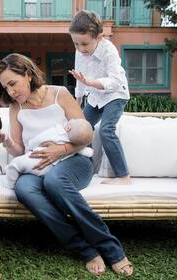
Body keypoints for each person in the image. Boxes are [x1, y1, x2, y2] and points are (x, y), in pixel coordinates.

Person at [0, 53, 133, 276]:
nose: (10, 91)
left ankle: (111, 249)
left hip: (75, 159)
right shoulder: (15, 108)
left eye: (12, 83)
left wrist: (62, 150)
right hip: (37, 163)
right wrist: (8, 142)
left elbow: (85, 134)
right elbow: (19, 150)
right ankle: (85, 249)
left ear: (28, 74)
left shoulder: (60, 94)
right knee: (23, 188)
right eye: (5, 87)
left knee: (55, 181)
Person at [69, 10, 131, 185]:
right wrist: (77, 103)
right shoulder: (79, 51)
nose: (81, 49)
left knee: (106, 130)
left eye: (85, 44)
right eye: (76, 44)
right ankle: (85, 169)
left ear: (99, 37)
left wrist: (91, 82)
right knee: (83, 129)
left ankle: (124, 176)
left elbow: (116, 81)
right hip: (96, 96)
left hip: (115, 94)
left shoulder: (109, 50)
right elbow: (80, 78)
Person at [4, 118, 94, 189]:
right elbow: (87, 151)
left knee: (15, 164)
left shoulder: (57, 132)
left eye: (74, 119)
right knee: (25, 173)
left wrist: (31, 145)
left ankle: (10, 185)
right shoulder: (74, 144)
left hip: (37, 159)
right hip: (52, 168)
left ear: (68, 128)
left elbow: (38, 140)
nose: (72, 119)